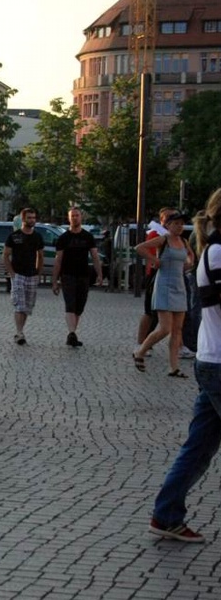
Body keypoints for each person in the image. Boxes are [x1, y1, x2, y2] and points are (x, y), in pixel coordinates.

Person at [148, 187, 221, 544]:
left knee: (198, 448)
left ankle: (166, 515)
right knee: (198, 448)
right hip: (219, 364)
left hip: (213, 361)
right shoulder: (219, 253)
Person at [132, 211, 195, 377]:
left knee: (177, 329)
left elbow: (190, 258)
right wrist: (155, 261)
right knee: (165, 328)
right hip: (164, 285)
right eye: (176, 223)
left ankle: (174, 367)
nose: (179, 226)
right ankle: (141, 351)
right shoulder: (163, 240)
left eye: (181, 224)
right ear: (167, 225)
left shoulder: (184, 241)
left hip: (179, 285)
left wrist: (188, 265)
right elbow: (140, 248)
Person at [52, 207, 103, 348]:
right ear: (69, 218)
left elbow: (95, 256)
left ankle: (72, 334)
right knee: (70, 304)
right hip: (67, 275)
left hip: (83, 275)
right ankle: (72, 333)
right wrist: (54, 280)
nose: (75, 218)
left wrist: (99, 274)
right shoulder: (63, 238)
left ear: (81, 217)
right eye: (72, 216)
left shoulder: (87, 236)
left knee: (79, 306)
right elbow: (58, 260)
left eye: (77, 215)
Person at [2, 208, 45, 346]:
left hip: (32, 275)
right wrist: (12, 273)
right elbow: (5, 255)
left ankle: (21, 330)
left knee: (27, 306)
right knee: (19, 305)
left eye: (34, 217)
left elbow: (40, 255)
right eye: (29, 218)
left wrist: (38, 272)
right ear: (23, 219)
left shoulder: (37, 237)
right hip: (18, 274)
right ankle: (19, 332)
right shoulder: (14, 236)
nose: (32, 220)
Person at [135, 208, 174, 353]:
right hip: (155, 275)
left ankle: (148, 342)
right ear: (162, 219)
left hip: (169, 276)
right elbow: (145, 251)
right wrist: (155, 260)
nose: (172, 220)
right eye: (169, 217)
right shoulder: (156, 234)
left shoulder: (173, 236)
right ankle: (141, 343)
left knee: (161, 314)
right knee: (149, 311)